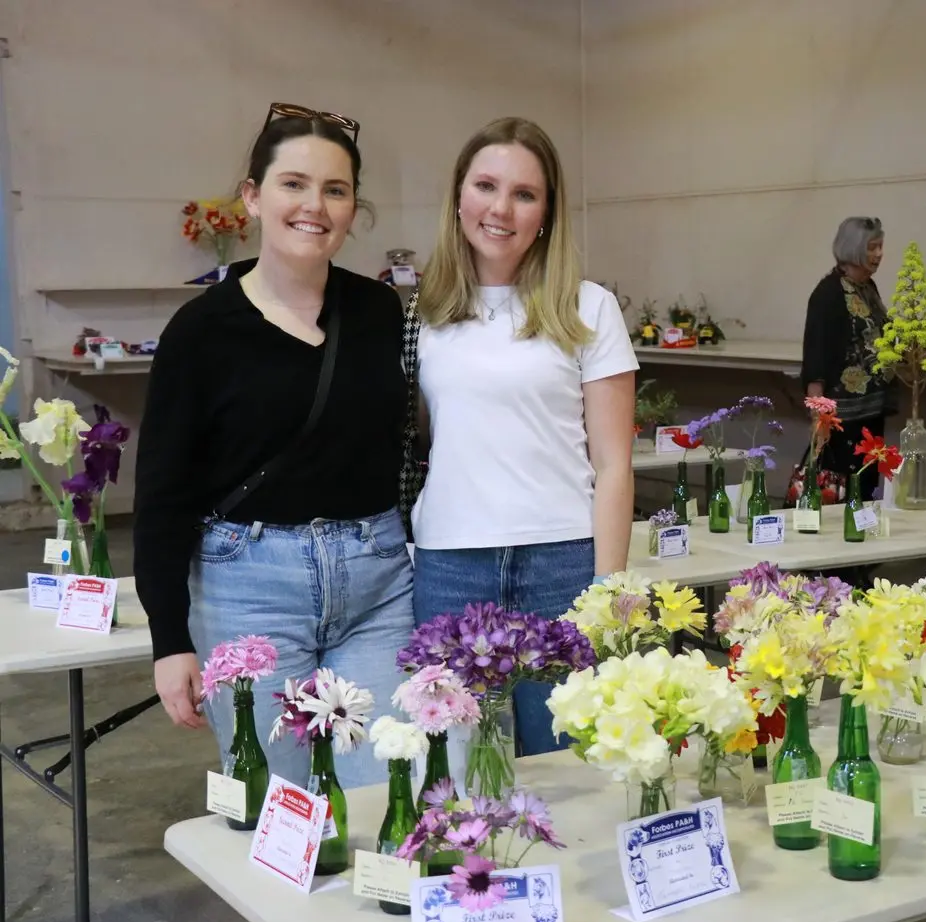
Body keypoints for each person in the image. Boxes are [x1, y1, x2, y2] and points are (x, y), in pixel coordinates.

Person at [134, 103, 414, 790]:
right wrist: (169, 638)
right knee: (279, 805)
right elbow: (162, 492)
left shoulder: (378, 312)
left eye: (335, 190)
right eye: (293, 184)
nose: (313, 206)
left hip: (376, 581)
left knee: (390, 786)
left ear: (353, 209)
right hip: (249, 586)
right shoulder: (200, 330)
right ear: (254, 197)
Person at [406, 117, 637, 759]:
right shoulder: (421, 315)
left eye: (525, 194)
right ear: (458, 197)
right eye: (486, 185)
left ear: (547, 213)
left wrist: (608, 592)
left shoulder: (589, 309)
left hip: (561, 566)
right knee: (451, 767)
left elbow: (615, 465)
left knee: (567, 761)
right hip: (450, 563)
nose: (501, 208)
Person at [799, 216, 891, 503]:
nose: (879, 254)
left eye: (880, 247)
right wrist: (818, 415)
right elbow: (815, 356)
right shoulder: (828, 293)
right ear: (853, 249)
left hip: (871, 412)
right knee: (840, 492)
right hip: (842, 419)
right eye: (872, 247)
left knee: (865, 489)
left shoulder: (868, 288)